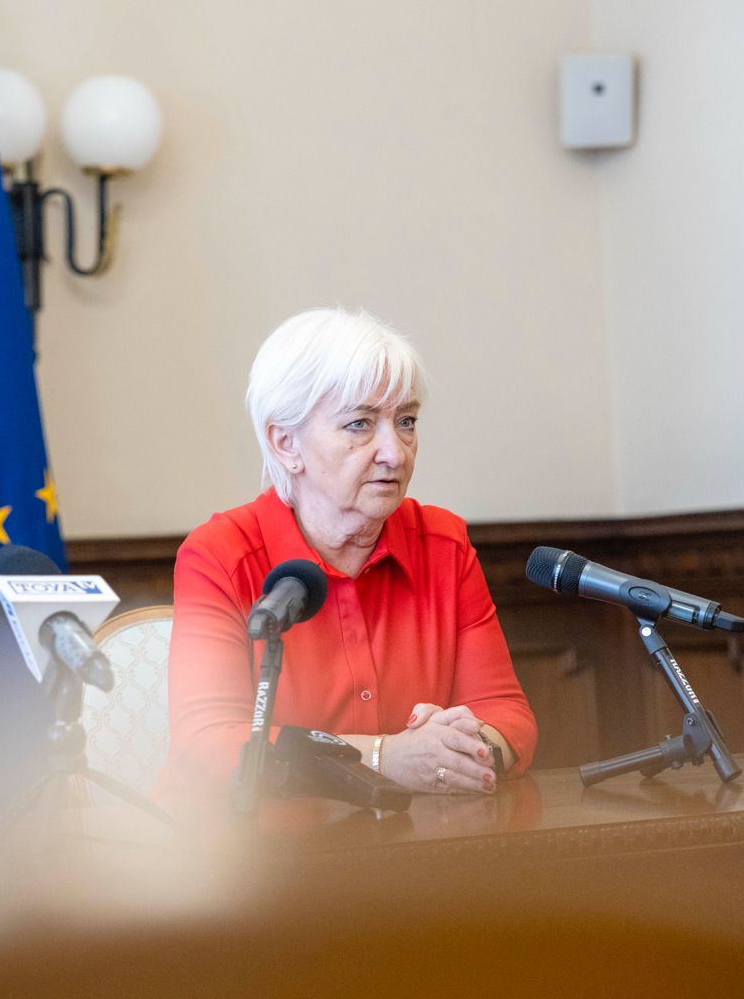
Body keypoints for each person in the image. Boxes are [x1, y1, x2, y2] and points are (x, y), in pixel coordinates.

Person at [165, 307, 536, 801]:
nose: (396, 453)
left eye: (406, 421)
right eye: (360, 424)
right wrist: (383, 758)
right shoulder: (220, 555)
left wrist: (464, 750)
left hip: (406, 838)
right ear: (285, 443)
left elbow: (507, 715)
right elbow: (207, 744)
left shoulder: (442, 543)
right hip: (243, 842)